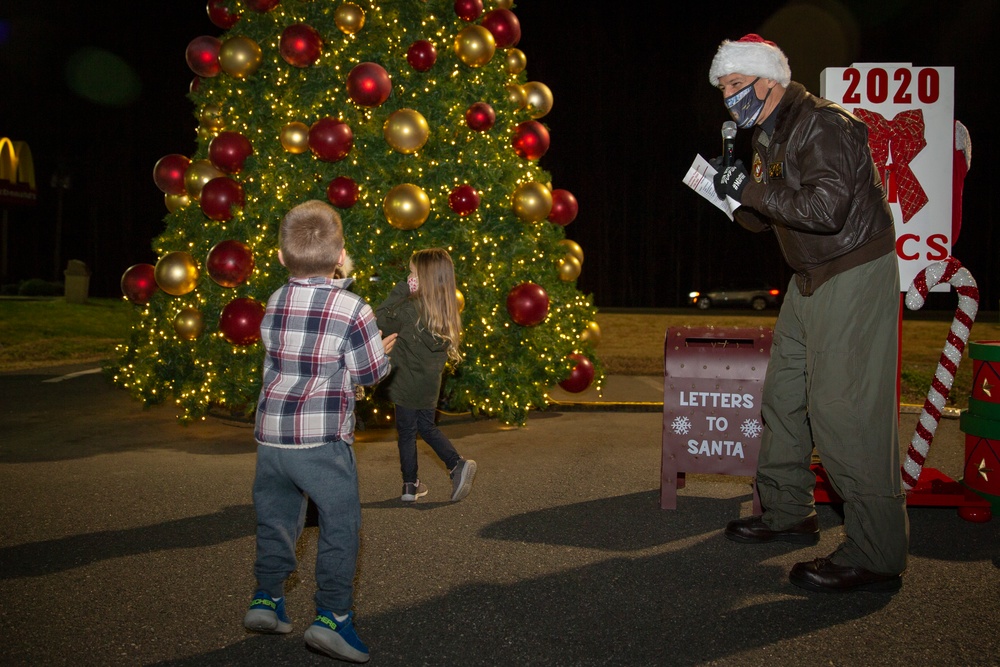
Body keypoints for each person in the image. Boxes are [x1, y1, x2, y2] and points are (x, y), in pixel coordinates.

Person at [708, 34, 908, 593]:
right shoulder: (767, 135)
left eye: (733, 83)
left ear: (766, 79)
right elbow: (769, 215)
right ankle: (789, 509)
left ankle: (877, 551)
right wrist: (731, 193)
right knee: (784, 395)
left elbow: (825, 208)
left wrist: (750, 188)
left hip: (850, 268)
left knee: (844, 409)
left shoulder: (823, 124)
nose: (727, 97)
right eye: (722, 87)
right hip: (808, 273)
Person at [243, 199, 397, 663]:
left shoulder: (274, 299)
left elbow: (290, 359)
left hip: (272, 438)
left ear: (279, 256)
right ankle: (333, 617)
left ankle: (267, 599)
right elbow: (369, 372)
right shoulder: (352, 308)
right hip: (322, 442)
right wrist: (381, 352)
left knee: (276, 518)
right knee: (340, 525)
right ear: (341, 254)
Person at [375, 248, 477, 503]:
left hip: (405, 382)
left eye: (411, 273)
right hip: (429, 385)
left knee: (407, 432)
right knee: (426, 427)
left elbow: (380, 320)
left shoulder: (409, 308)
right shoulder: (444, 310)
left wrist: (401, 290)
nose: (408, 277)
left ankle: (416, 481)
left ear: (422, 279)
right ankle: (440, 472)